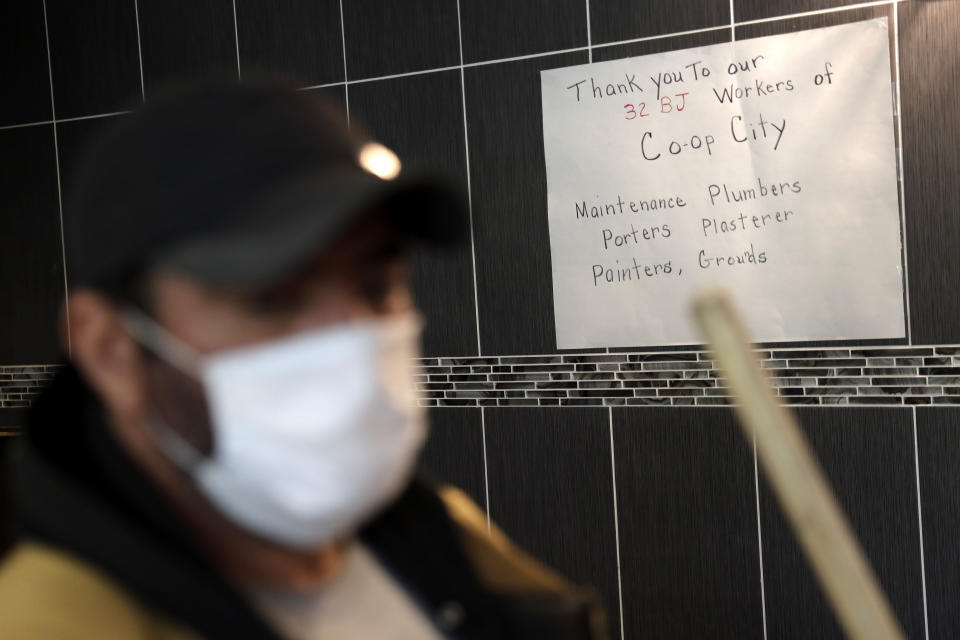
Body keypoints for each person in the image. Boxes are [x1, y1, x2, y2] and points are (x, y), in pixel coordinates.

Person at [0, 82, 608, 639]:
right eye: (273, 299)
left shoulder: (439, 537)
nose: (354, 341)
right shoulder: (51, 623)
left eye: (375, 287)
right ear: (111, 351)